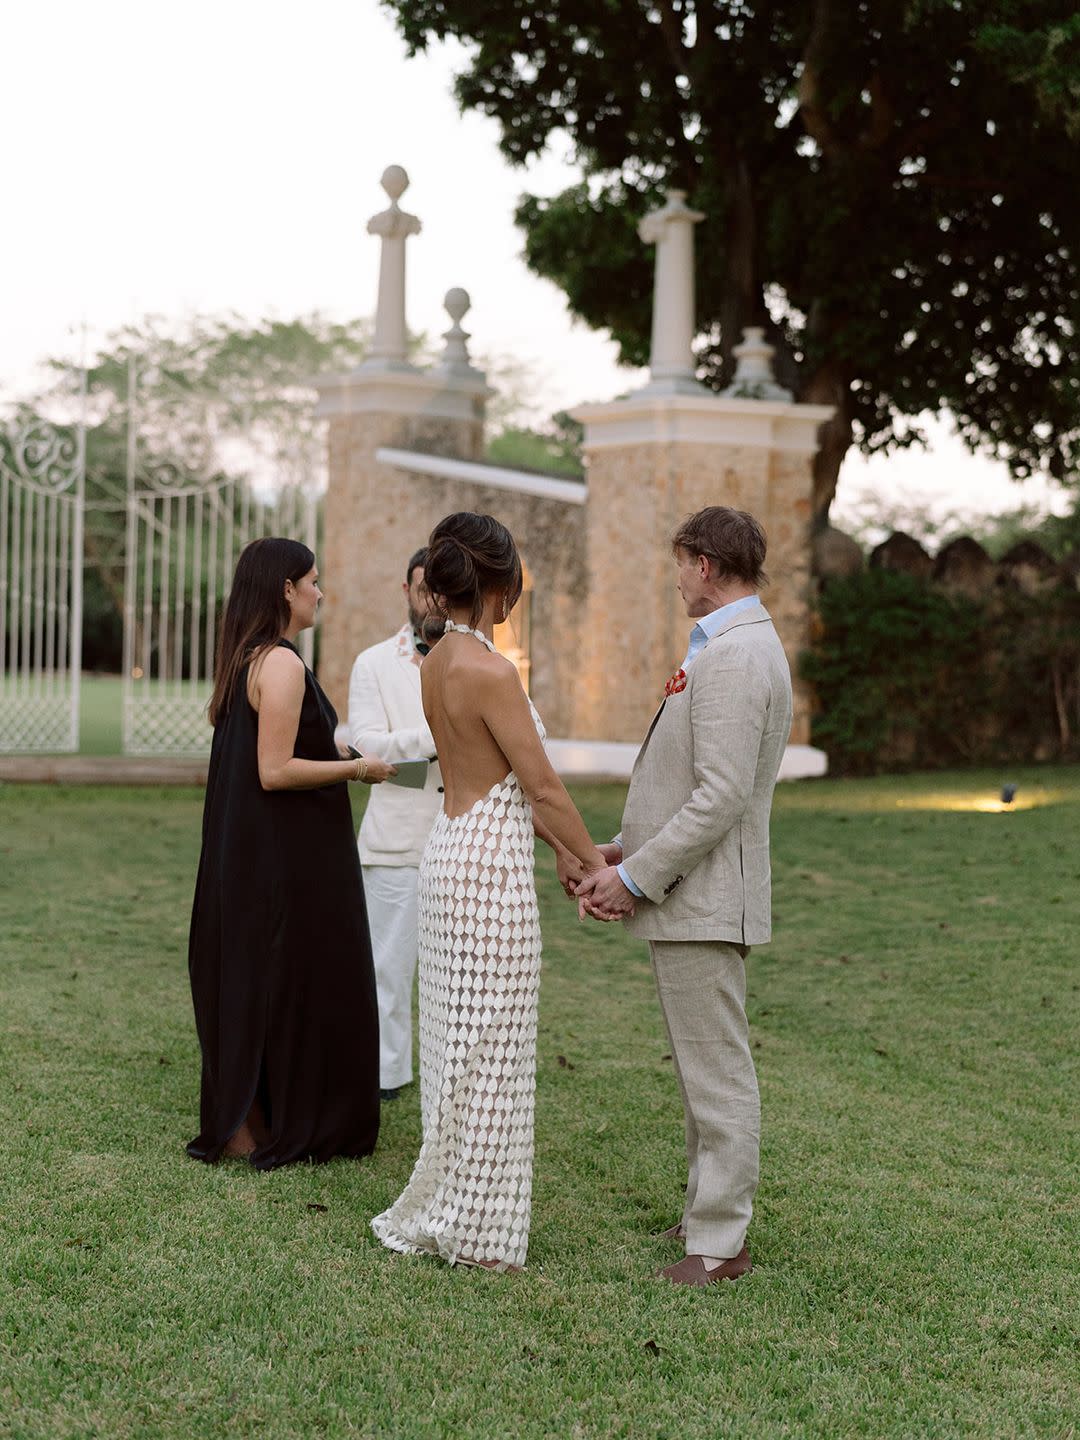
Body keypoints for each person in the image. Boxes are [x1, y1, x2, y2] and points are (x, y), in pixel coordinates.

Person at [371, 512, 606, 1272]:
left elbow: (501, 787)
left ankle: (459, 1209)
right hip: (488, 872)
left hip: (452, 849)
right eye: (515, 585)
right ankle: (480, 1233)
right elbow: (539, 786)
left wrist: (573, 856)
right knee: (492, 1050)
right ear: (497, 583)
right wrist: (592, 863)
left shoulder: (436, 661)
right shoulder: (491, 670)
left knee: (459, 1048)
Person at [574, 506, 793, 1287]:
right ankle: (707, 1211)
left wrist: (635, 880)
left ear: (704, 563)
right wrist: (626, 849)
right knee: (701, 1069)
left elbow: (721, 794)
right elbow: (689, 787)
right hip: (692, 892)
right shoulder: (725, 646)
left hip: (704, 899)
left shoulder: (734, 654)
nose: (674, 579)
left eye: (679, 563)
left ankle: (720, 1244)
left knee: (717, 1072)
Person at [187, 537, 395, 1170]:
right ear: (285, 589)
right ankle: (258, 1124)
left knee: (271, 977)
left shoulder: (249, 658)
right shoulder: (277, 663)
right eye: (311, 580)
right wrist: (354, 772)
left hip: (266, 849)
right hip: (285, 857)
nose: (320, 591)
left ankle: (254, 1119)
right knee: (291, 975)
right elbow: (273, 771)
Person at [347, 547, 443, 1102]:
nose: (430, 598)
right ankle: (385, 1076)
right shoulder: (374, 662)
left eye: (439, 588)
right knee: (388, 967)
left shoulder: (472, 660)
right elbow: (366, 745)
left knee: (454, 975)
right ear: (406, 590)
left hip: (461, 838)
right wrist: (435, 742)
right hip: (396, 840)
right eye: (421, 586)